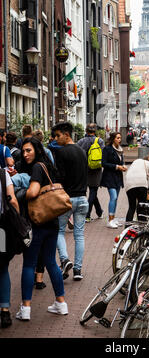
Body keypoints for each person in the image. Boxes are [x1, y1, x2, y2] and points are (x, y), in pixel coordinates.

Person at [15, 137, 68, 321]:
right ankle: (61, 304)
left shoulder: (37, 167)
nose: (25, 154)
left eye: (28, 150)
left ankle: (25, 308)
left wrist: (20, 193)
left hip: (37, 223)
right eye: (23, 151)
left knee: (29, 264)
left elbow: (33, 192)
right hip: (52, 222)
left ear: (37, 150)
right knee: (51, 262)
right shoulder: (48, 167)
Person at [53, 122, 89, 281]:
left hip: (67, 198)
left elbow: (59, 177)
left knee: (59, 231)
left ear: (66, 134)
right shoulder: (82, 152)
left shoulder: (61, 153)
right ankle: (78, 270)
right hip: (82, 198)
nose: (55, 139)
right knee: (79, 235)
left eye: (57, 135)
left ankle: (65, 260)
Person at [0, 169, 20, 328]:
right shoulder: (2, 173)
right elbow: (12, 199)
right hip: (0, 230)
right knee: (3, 268)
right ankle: (5, 311)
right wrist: (18, 221)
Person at [77, 123, 105, 222]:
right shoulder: (100, 141)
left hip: (85, 169)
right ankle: (87, 215)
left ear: (86, 130)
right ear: (95, 131)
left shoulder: (81, 141)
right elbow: (103, 154)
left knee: (93, 192)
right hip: (96, 169)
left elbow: (77, 154)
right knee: (93, 191)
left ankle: (99, 211)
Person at [100, 132, 127, 229]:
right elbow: (103, 163)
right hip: (109, 177)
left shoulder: (120, 150)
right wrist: (117, 167)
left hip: (118, 177)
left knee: (116, 199)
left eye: (120, 138)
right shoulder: (107, 149)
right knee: (114, 197)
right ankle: (110, 220)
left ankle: (113, 218)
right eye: (118, 138)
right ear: (113, 139)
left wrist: (123, 166)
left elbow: (121, 161)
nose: (119, 140)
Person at [124, 155, 149, 223]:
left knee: (131, 207)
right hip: (141, 184)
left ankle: (127, 226)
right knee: (141, 207)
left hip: (129, 184)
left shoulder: (136, 161)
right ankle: (141, 226)